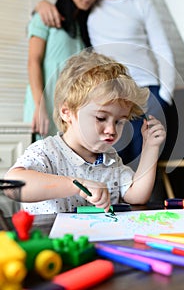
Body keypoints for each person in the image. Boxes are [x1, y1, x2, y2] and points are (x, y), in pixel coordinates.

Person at [35, 0, 176, 169]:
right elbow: (62, 11)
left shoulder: (140, 2)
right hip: (106, 95)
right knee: (108, 165)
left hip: (145, 92)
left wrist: (164, 96)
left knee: (144, 165)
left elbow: (162, 49)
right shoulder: (89, 5)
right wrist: (40, 5)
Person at [5, 51, 166, 214]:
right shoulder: (46, 151)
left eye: (119, 121)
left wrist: (150, 147)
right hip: (50, 236)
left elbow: (136, 196)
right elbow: (13, 185)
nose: (111, 130)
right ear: (67, 112)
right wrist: (76, 185)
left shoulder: (109, 159)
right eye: (101, 118)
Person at [24, 0, 101, 140]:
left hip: (68, 114)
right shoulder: (44, 18)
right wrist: (39, 106)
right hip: (43, 107)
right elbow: (33, 62)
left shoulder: (81, 31)